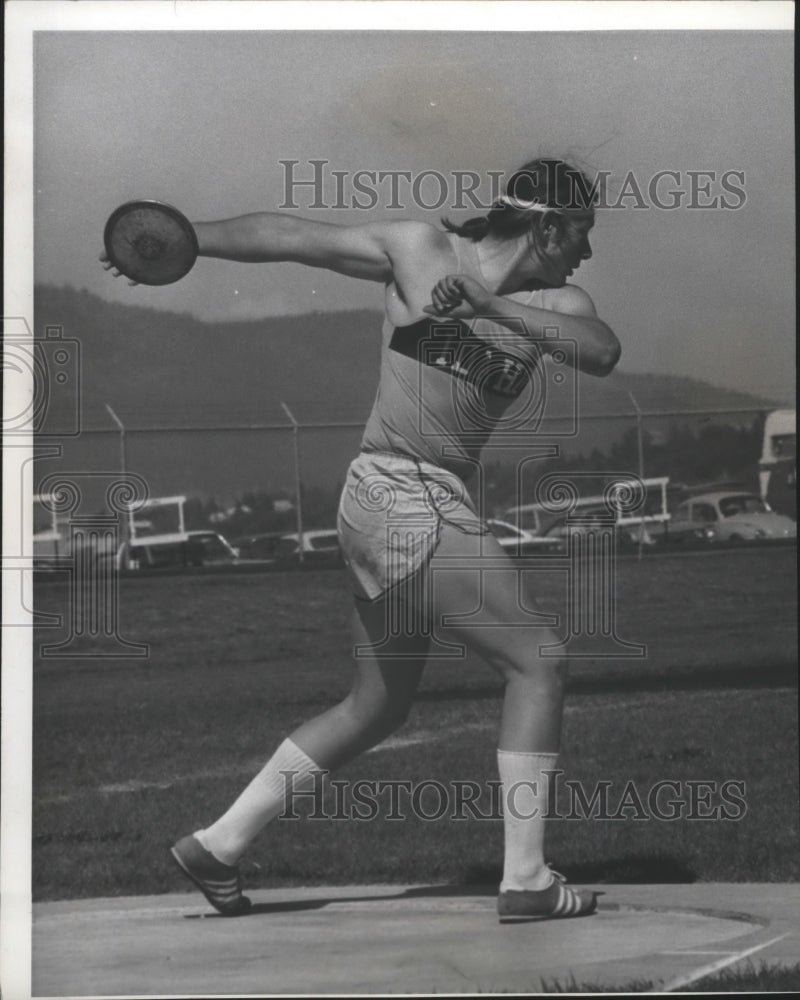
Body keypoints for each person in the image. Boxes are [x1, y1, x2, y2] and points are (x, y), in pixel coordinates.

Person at [101, 157, 621, 922]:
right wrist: (185, 238)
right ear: (545, 225)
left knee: (376, 706)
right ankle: (528, 881)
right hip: (395, 488)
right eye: (580, 233)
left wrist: (484, 302)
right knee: (539, 662)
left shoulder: (559, 300)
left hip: (404, 501)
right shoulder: (419, 249)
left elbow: (601, 351)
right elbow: (287, 236)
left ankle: (219, 844)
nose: (586, 251)